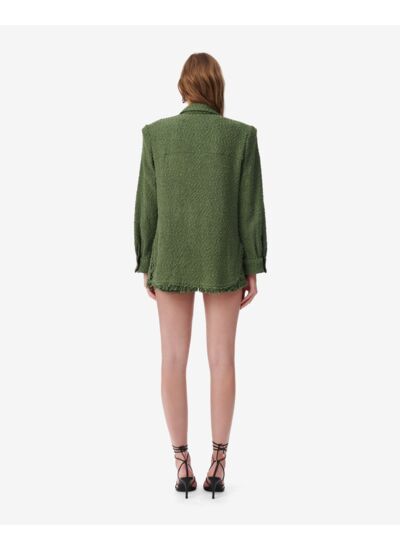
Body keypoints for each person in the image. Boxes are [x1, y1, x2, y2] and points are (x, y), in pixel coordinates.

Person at [133, 52, 267, 499]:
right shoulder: (241, 136)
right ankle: (219, 463)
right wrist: (252, 264)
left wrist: (147, 261)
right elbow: (250, 208)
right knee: (222, 359)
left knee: (172, 358)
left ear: (183, 88)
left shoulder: (156, 135)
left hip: (170, 254)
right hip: (223, 255)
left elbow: (147, 204)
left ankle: (181, 464)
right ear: (216, 88)